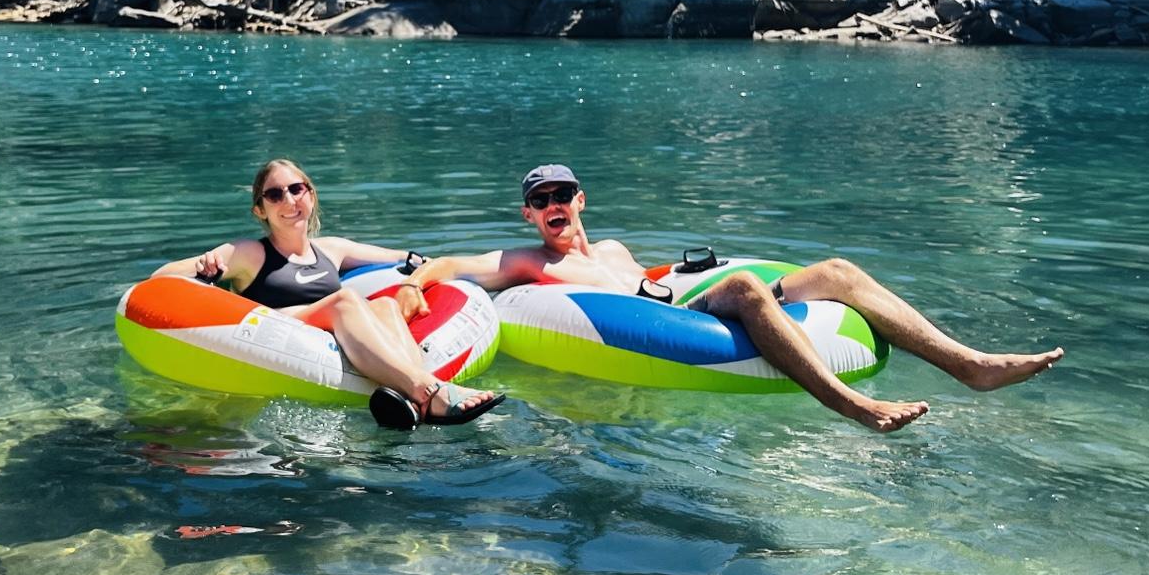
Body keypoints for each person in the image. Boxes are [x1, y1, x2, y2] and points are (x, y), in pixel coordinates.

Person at [405, 164, 1064, 434]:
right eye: (539, 201)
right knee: (747, 288)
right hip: (659, 324)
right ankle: (854, 406)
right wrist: (412, 283)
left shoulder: (610, 249)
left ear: (581, 200)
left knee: (835, 269)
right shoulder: (526, 261)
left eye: (561, 196)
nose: (553, 207)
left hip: (674, 307)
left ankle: (970, 365)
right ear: (528, 215)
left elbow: (659, 284)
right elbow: (454, 266)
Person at [155, 159, 504, 429]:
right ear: (260, 210)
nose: (289, 200)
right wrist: (206, 264)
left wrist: (418, 267)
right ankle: (430, 391)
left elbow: (398, 257)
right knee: (346, 300)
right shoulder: (249, 252)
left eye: (297, 189)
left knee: (383, 303)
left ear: (311, 194)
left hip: (327, 335)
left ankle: (411, 403)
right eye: (275, 194)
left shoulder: (331, 250)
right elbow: (161, 278)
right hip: (279, 329)